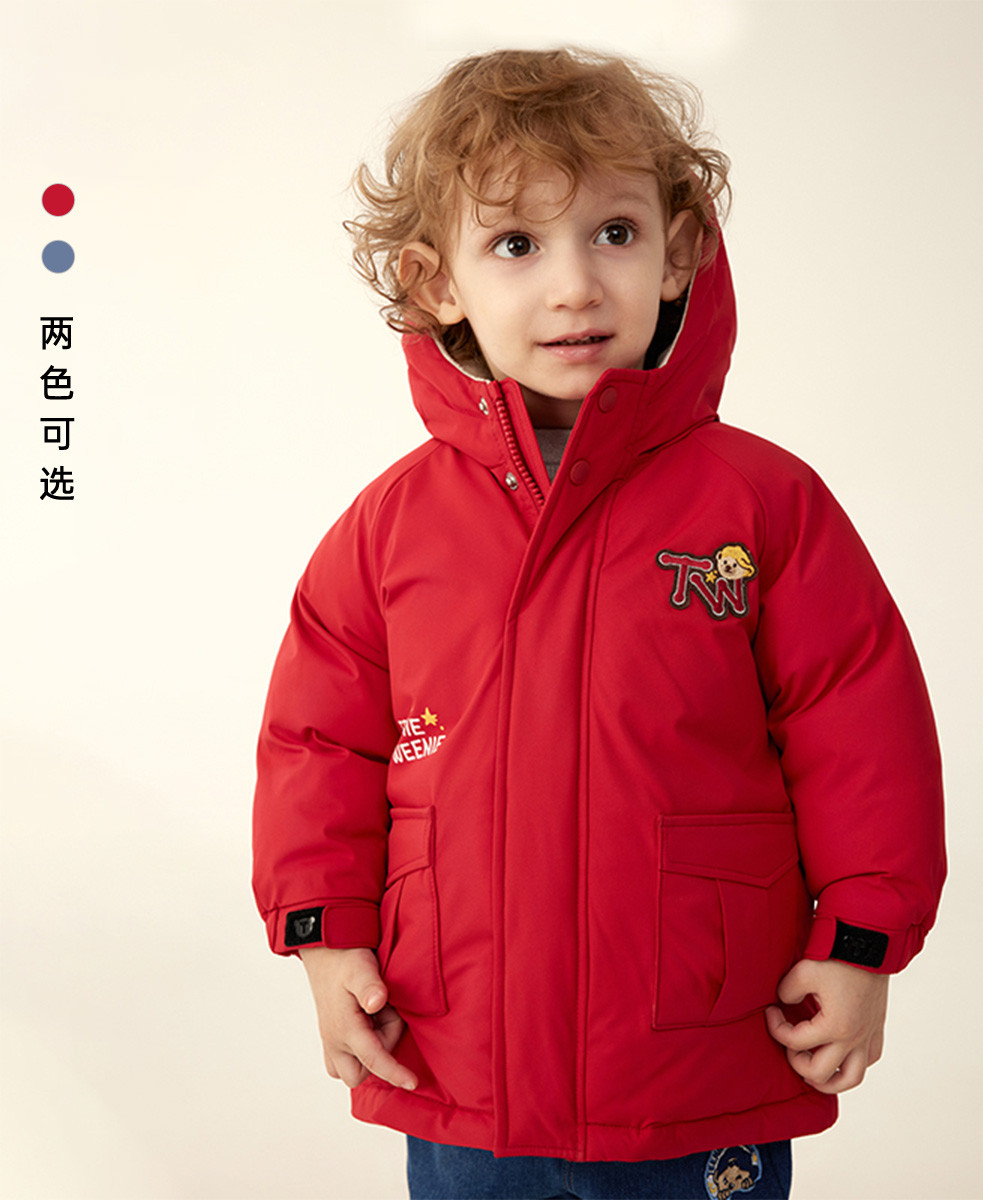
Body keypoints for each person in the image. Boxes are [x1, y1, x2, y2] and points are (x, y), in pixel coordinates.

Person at [252, 47, 946, 1200]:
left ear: (678, 253)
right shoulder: (389, 531)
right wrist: (327, 941)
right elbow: (319, 745)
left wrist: (863, 941)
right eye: (516, 244)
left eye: (613, 233)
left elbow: (860, 725)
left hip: (694, 1054)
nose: (574, 285)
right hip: (461, 1053)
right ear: (436, 281)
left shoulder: (763, 506)